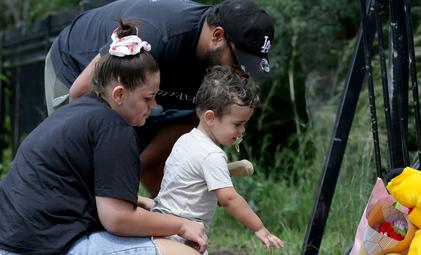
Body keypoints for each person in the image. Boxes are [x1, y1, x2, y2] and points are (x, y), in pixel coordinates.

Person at [1, 21, 208, 255]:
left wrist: (138, 202)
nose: (154, 107)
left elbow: (72, 197)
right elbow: (115, 218)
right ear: (118, 94)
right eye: (148, 98)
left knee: (99, 235)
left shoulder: (77, 114)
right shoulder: (115, 129)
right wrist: (182, 225)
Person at [44, 0, 275, 196]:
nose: (238, 75)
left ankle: (172, 233)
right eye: (237, 64)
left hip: (141, 88)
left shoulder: (214, 65)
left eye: (245, 72)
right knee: (84, 173)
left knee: (143, 158)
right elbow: (81, 93)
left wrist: (137, 166)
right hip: (77, 68)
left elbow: (191, 123)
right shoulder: (158, 35)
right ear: (217, 35)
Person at [150, 65, 284, 255]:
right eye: (237, 124)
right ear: (210, 117)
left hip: (164, 226)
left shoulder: (186, 139)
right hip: (186, 234)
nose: (241, 131)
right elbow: (229, 198)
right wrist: (259, 228)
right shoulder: (211, 154)